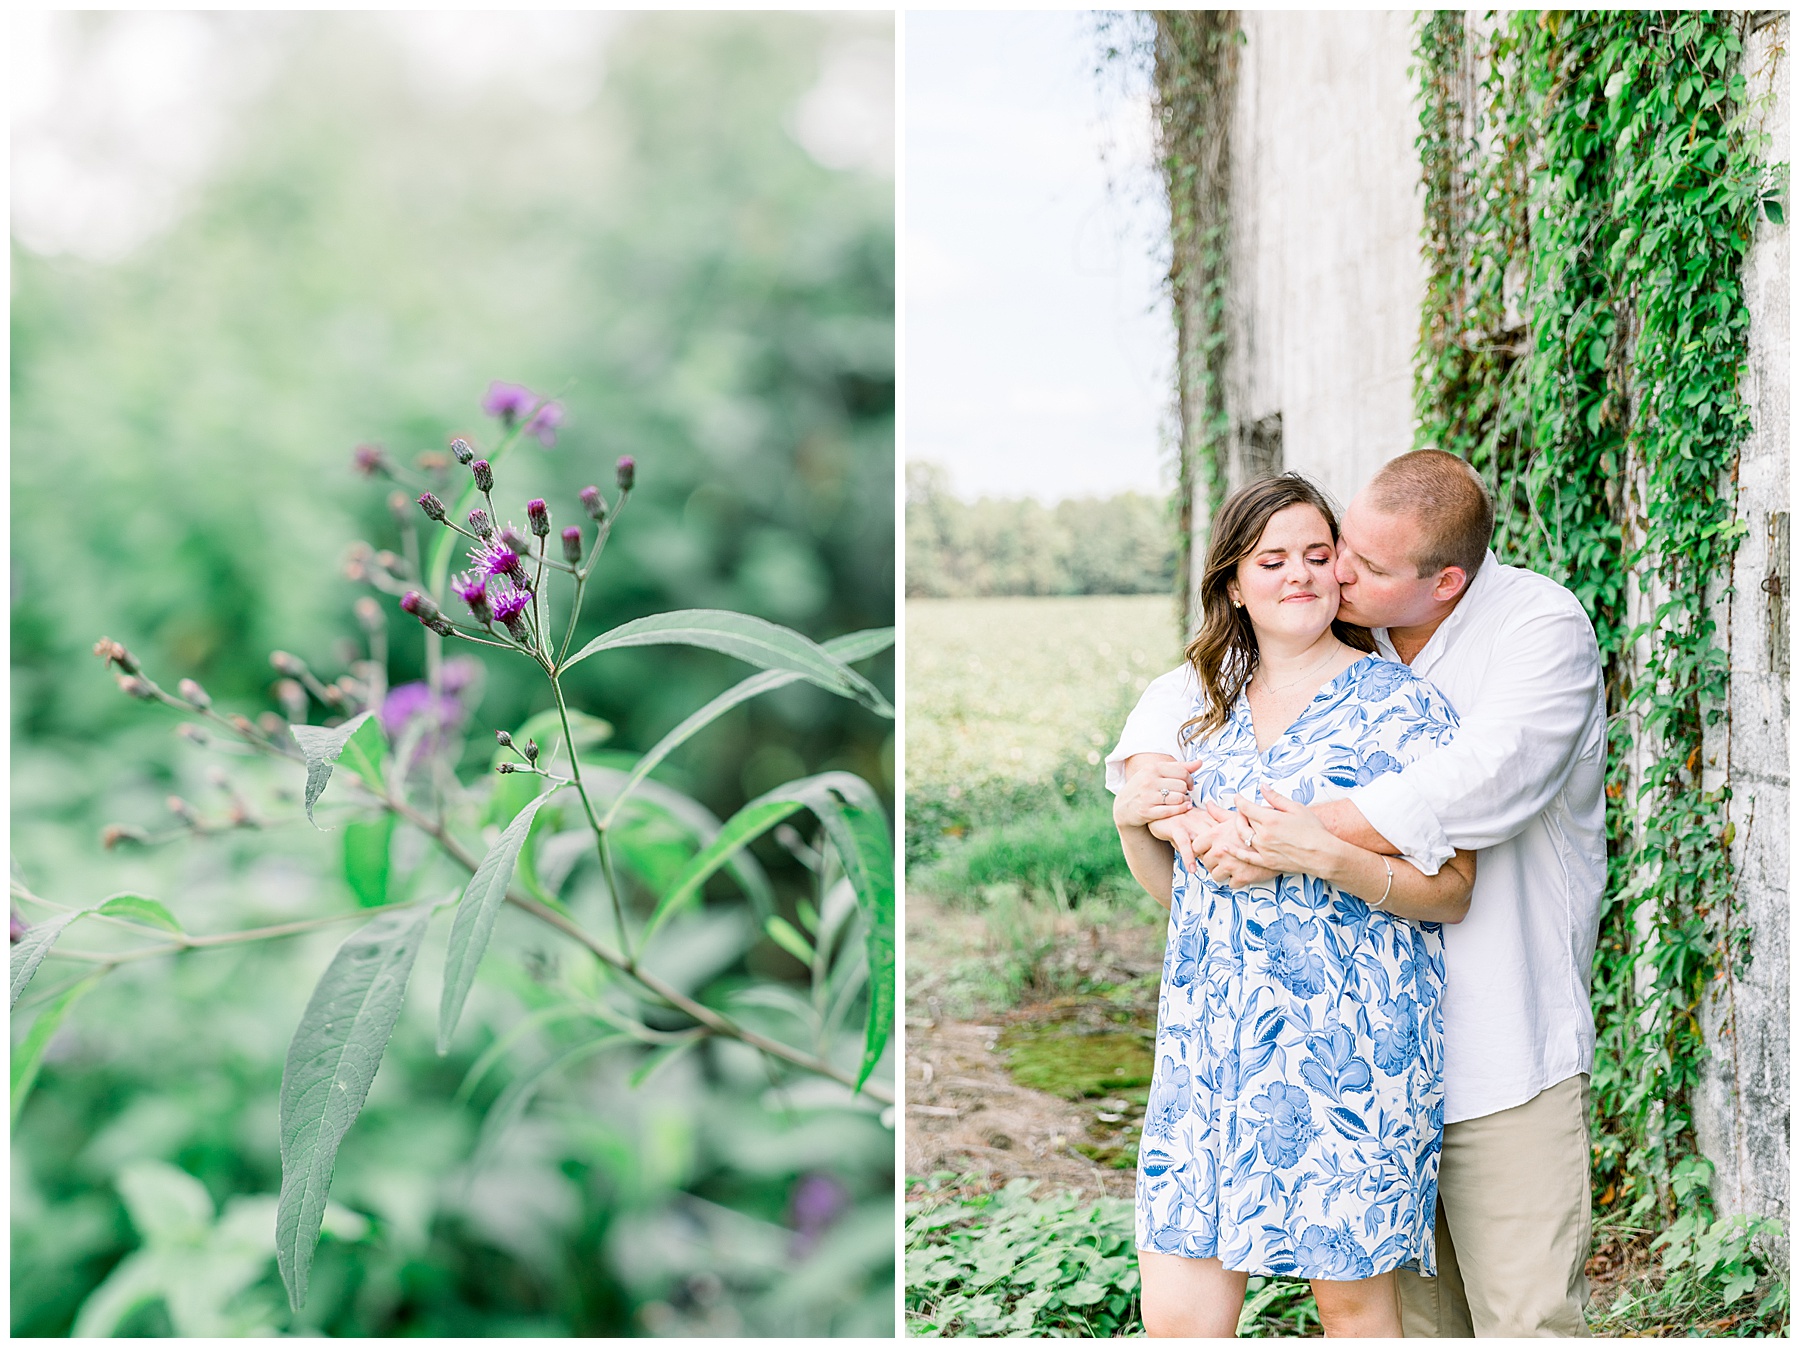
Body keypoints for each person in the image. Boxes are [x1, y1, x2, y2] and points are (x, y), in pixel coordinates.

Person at [1111, 450, 1606, 1337]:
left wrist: (1301, 839)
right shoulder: (1234, 686)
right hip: (1238, 1055)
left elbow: (1480, 786)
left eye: (1345, 560)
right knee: (1419, 1331)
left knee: (1524, 1321)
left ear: (1444, 583)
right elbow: (1183, 709)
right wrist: (1139, 798)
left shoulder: (1531, 633)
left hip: (1477, 1046)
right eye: (1288, 558)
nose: (1328, 574)